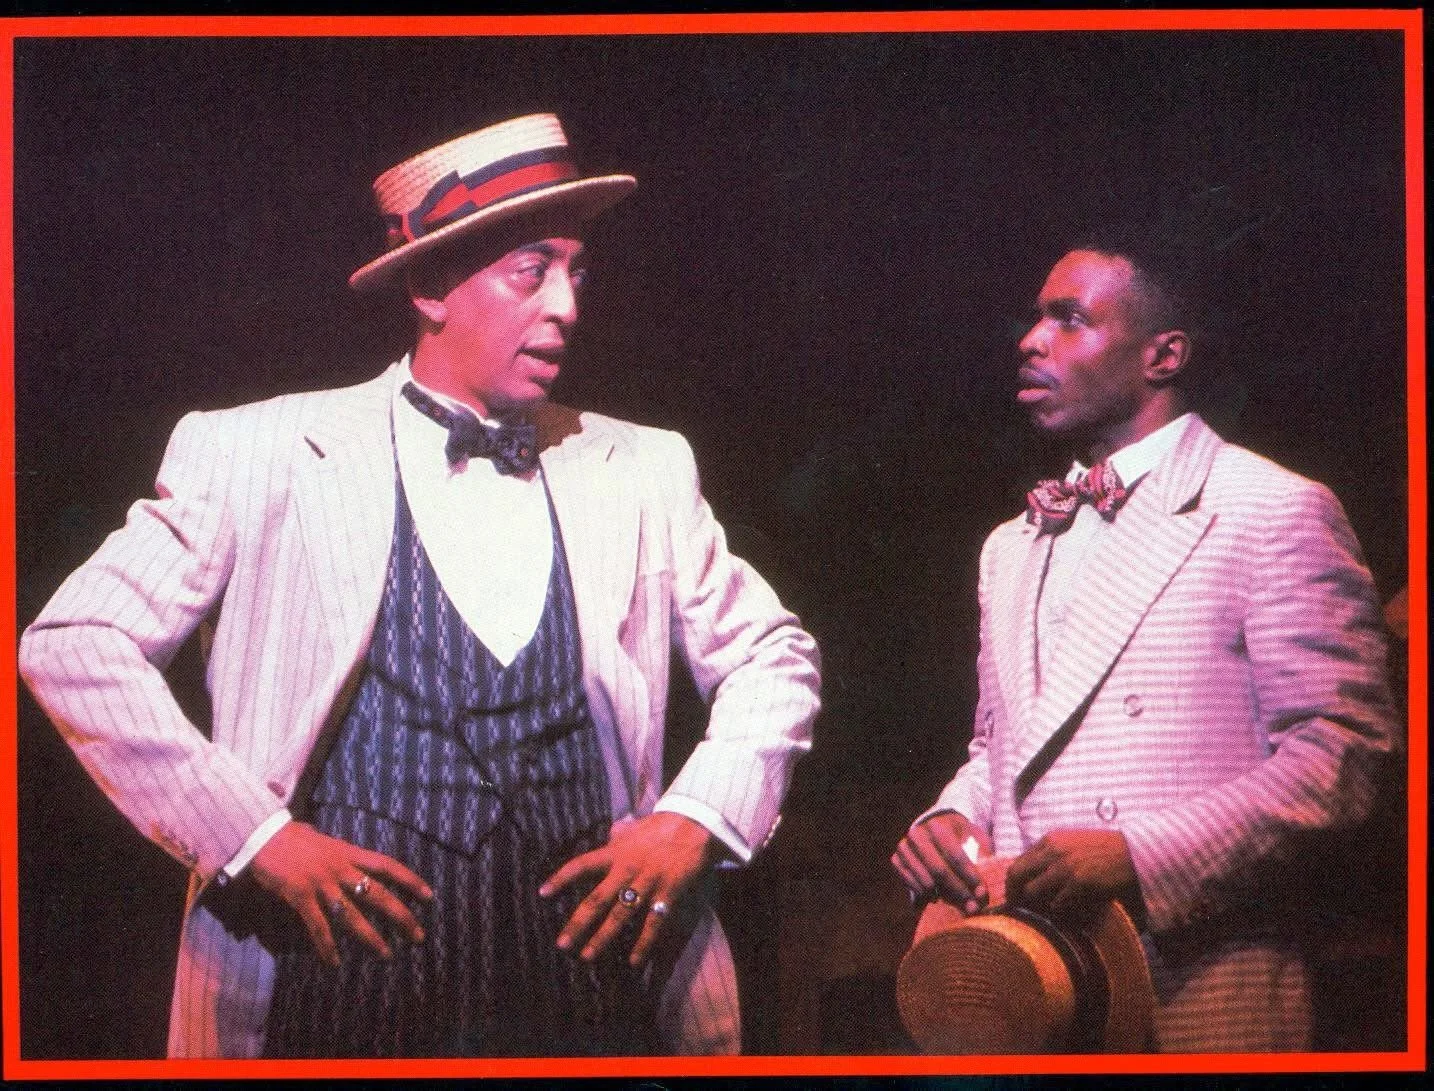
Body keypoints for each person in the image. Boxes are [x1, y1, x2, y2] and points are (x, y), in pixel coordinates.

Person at [19, 113, 820, 1058]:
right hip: (334, 1001)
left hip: (595, 1004)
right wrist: (255, 836)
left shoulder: (641, 466)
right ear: (432, 286)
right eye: (532, 271)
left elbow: (774, 654)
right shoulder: (258, 452)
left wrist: (695, 817)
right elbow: (75, 643)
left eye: (578, 272)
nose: (567, 305)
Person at [891, 235, 1399, 1051]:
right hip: (1041, 993)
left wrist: (1140, 855)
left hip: (1198, 992)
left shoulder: (1270, 508)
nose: (1032, 340)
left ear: (1164, 354)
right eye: (1035, 318)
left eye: (1070, 319)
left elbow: (1343, 757)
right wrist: (953, 817)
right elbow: (1005, 745)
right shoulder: (1010, 545)